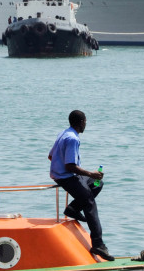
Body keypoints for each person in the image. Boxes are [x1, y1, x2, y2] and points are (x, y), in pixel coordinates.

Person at [48, 110, 114, 261]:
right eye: (85, 121)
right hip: (66, 177)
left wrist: (91, 177)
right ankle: (98, 244)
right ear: (81, 122)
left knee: (97, 183)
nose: (86, 124)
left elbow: (51, 155)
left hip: (70, 175)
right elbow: (70, 166)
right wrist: (90, 173)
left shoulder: (64, 133)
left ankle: (73, 208)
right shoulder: (72, 139)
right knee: (89, 201)